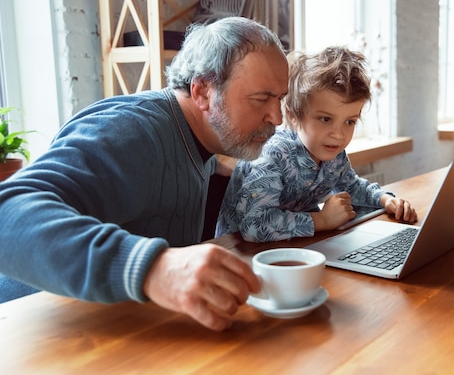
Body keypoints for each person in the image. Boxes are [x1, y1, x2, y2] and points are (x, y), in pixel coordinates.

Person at [0, 17, 289, 331]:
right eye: (262, 98)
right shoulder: (130, 131)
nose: (277, 117)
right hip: (28, 332)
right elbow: (6, 214)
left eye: (281, 99)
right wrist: (154, 267)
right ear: (203, 91)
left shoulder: (202, 140)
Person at [215, 46, 417, 242]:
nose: (338, 134)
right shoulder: (272, 155)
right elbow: (253, 225)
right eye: (325, 119)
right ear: (293, 116)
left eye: (350, 121)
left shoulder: (334, 154)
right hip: (237, 256)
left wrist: (385, 200)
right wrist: (321, 220)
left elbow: (351, 186)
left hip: (294, 249)